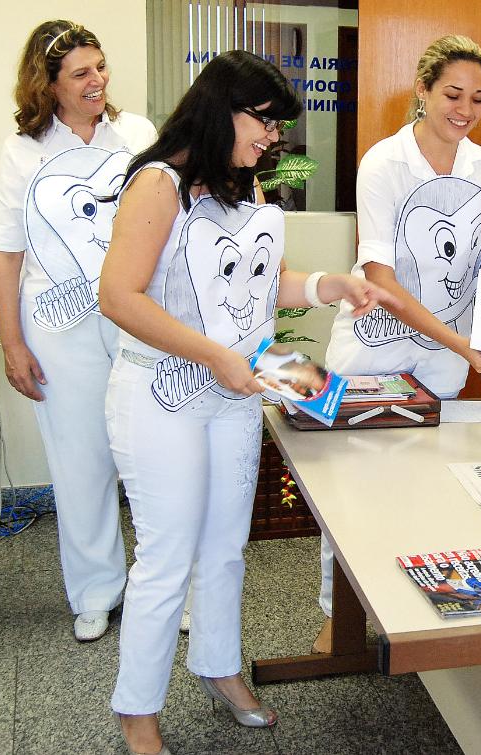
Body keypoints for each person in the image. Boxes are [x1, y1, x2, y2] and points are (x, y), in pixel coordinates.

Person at [98, 50, 393, 755]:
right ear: (219, 108)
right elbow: (118, 297)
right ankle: (135, 708)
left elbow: (263, 282)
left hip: (234, 389)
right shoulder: (157, 185)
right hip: (161, 393)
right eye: (263, 123)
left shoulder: (243, 185)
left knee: (226, 547)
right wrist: (215, 356)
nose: (271, 139)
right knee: (167, 554)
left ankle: (219, 666)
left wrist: (328, 285)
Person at [313, 35, 481, 652]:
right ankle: (338, 617)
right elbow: (380, 280)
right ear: (423, 89)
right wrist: (464, 348)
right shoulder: (384, 164)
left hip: (443, 350)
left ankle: (400, 609)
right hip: (376, 344)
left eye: (475, 97)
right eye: (451, 94)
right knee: (350, 482)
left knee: (416, 479)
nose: (463, 109)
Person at [0, 19, 157, 643]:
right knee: (81, 460)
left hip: (135, 314)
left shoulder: (136, 134)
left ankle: (165, 587)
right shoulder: (23, 151)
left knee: (154, 452)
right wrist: (12, 342)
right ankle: (95, 592)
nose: (98, 80)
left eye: (101, 66)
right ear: (48, 84)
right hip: (58, 325)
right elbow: (6, 251)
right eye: (81, 73)